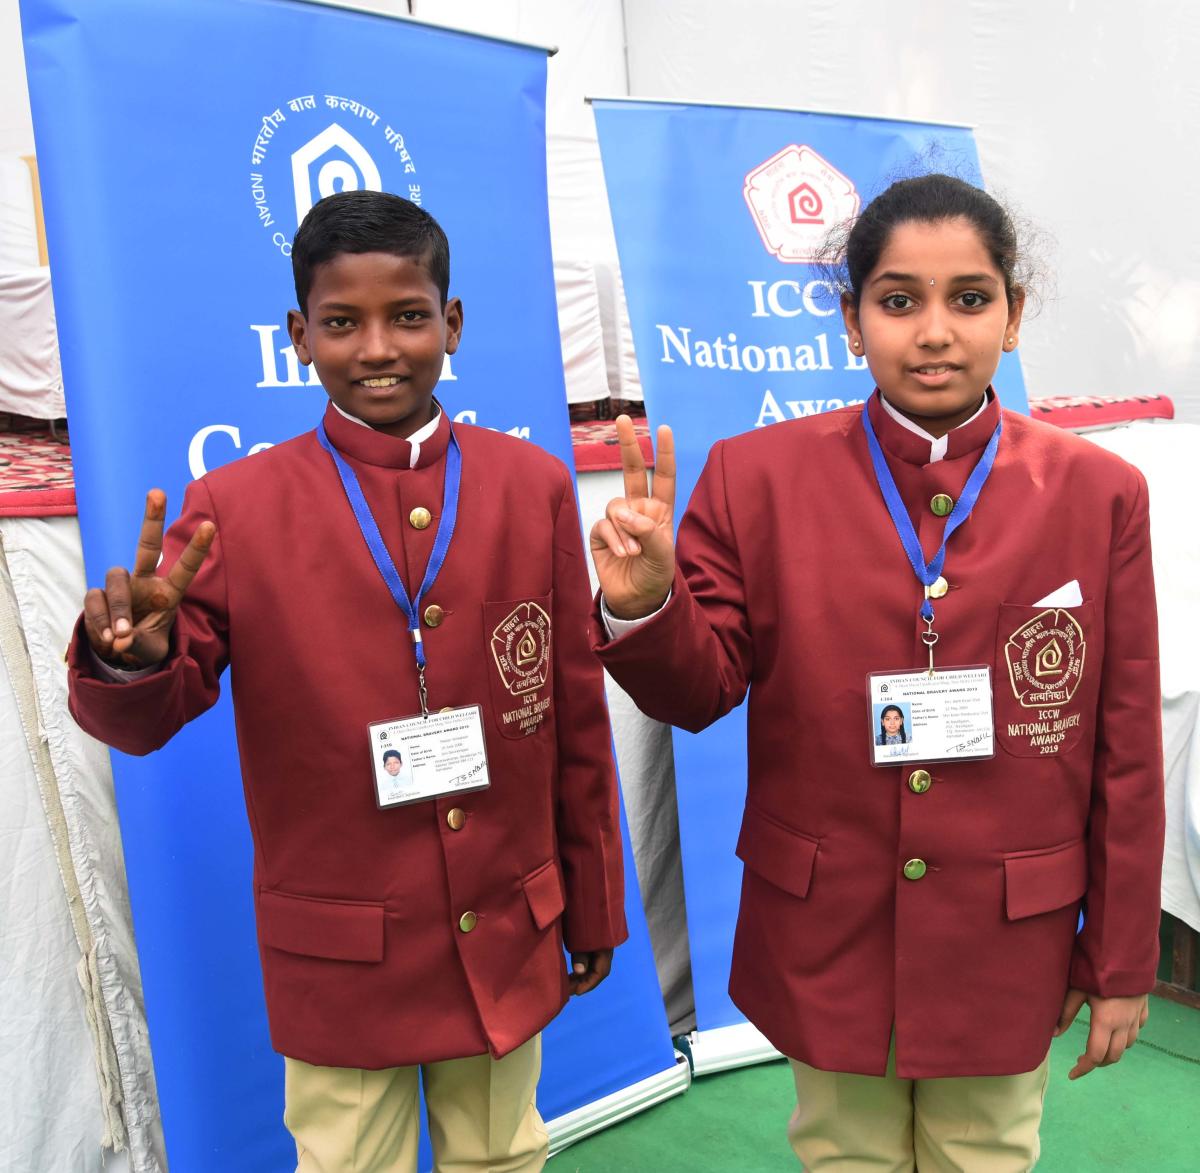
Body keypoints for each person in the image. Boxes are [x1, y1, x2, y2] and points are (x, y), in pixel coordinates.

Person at [589, 174, 1164, 1170]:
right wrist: (645, 604)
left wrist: (1120, 959)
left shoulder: (1099, 493)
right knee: (842, 1153)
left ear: (1013, 315)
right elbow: (701, 688)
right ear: (853, 322)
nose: (935, 331)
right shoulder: (756, 477)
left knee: (985, 1152)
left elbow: (1124, 749)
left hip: (1006, 925)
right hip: (830, 916)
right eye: (898, 302)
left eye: (969, 299)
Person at [67, 190, 626, 1173]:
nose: (378, 348)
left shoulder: (530, 486)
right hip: (342, 951)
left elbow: (575, 713)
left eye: (409, 316)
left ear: (451, 325)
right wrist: (133, 657)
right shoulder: (235, 507)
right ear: (298, 336)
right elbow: (158, 713)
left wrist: (593, 900)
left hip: (508, 918)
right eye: (341, 322)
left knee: (504, 1155)